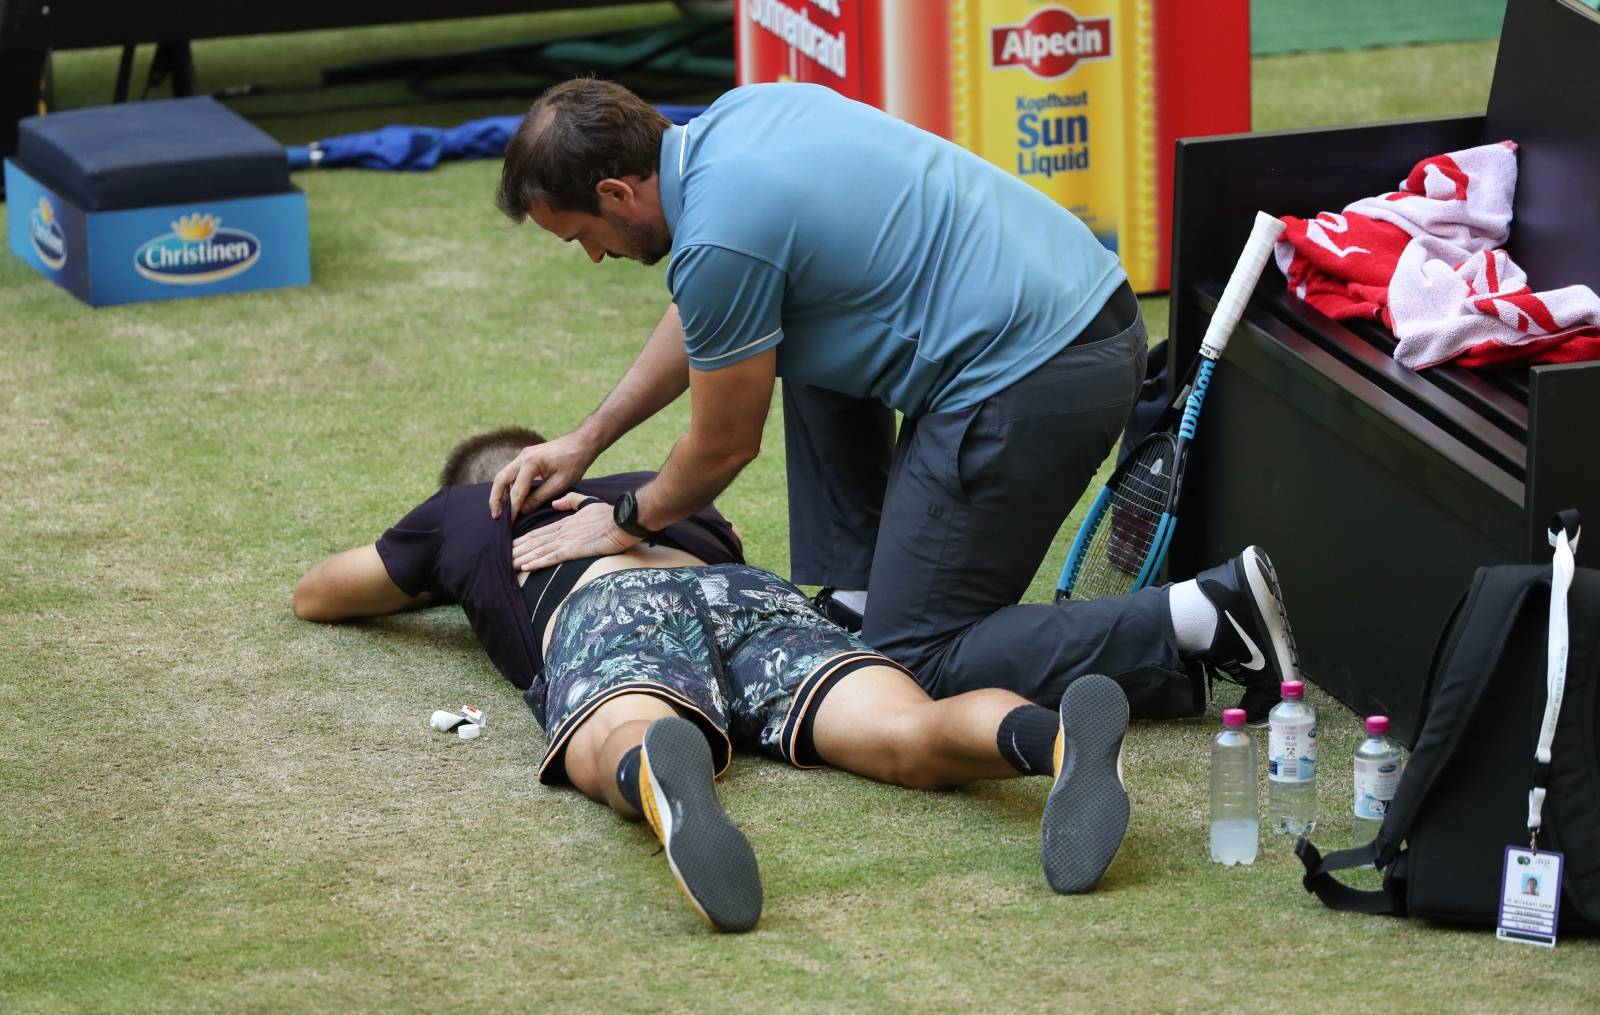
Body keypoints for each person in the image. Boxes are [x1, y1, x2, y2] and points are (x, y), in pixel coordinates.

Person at [486, 78, 1296, 721]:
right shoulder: (745, 115)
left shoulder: (720, 241)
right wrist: (586, 440)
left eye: (582, 235)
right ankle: (861, 587)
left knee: (917, 657)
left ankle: (1203, 615)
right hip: (1079, 311)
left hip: (1036, 379)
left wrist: (626, 517)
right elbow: (711, 317)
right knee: (774, 332)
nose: (593, 256)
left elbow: (723, 446)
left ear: (618, 192)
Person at [294, 427, 1138, 933]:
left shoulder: (465, 513)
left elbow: (319, 593)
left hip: (611, 606)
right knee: (905, 730)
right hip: (745, 594)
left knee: (615, 722)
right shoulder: (654, 493)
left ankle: (652, 767)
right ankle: (1048, 737)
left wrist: (449, 573)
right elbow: (728, 532)